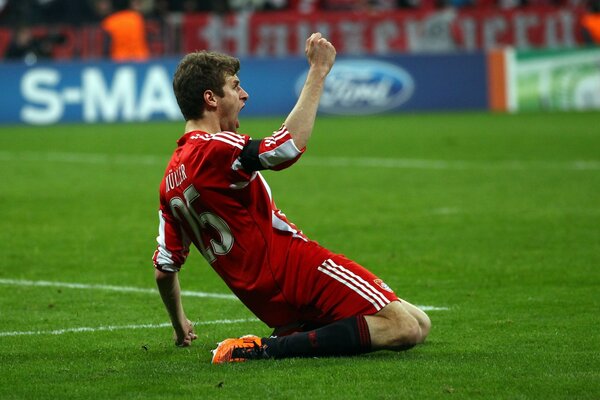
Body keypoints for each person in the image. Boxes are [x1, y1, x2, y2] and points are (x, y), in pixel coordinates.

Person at [152, 32, 431, 363]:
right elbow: (284, 148)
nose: (244, 94)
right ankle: (267, 348)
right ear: (211, 99)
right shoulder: (214, 146)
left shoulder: (170, 182)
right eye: (235, 86)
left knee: (420, 322)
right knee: (405, 329)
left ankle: (292, 334)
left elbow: (165, 268)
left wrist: (179, 324)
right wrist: (318, 71)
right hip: (296, 269)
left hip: (270, 302)